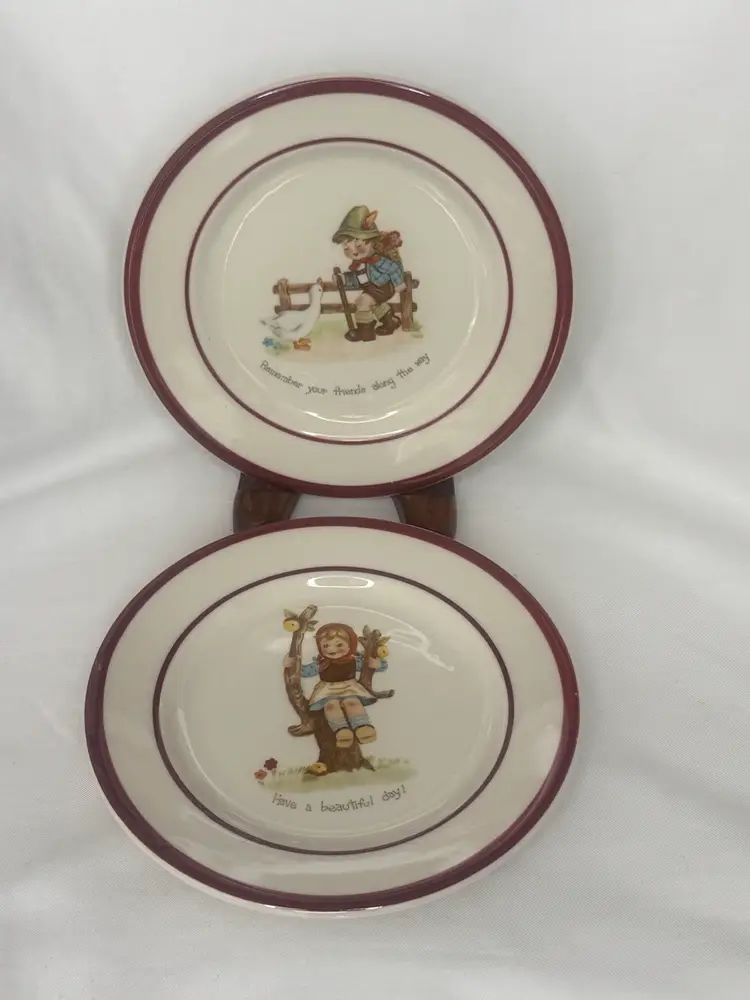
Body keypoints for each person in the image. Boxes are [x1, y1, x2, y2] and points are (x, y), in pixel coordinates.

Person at [283, 622, 388, 747]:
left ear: (351, 645)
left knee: (352, 702)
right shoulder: (321, 664)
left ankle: (362, 727)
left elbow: (378, 666)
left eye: (339, 645)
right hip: (327, 691)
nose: (332, 650)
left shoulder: (354, 661)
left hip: (349, 688)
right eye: (326, 645)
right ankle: (341, 731)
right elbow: (304, 672)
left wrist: (377, 663)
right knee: (331, 706)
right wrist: (290, 663)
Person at [332, 206, 406, 342]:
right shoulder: (359, 263)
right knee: (370, 303)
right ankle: (390, 321)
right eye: (347, 248)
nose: (354, 252)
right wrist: (344, 278)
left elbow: (393, 269)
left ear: (372, 241)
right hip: (371, 287)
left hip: (383, 286)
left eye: (359, 246)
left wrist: (398, 283)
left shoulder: (377, 260)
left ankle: (365, 332)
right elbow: (358, 277)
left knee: (363, 302)